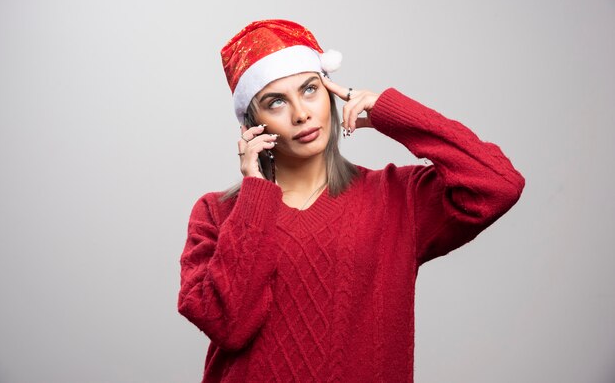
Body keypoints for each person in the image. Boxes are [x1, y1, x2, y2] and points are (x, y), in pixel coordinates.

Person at [178, 19, 525, 383]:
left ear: (329, 93)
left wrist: (393, 114)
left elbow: (497, 184)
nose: (301, 113)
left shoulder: (395, 197)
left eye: (310, 89)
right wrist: (256, 194)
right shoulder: (217, 213)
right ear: (251, 125)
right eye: (276, 102)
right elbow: (227, 324)